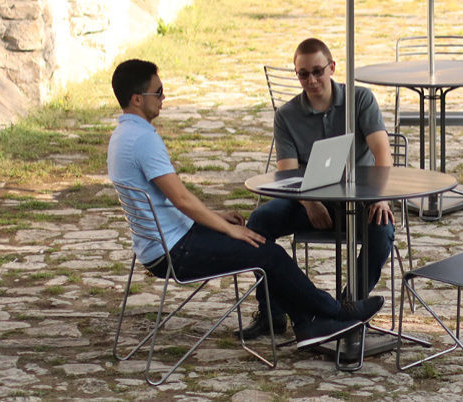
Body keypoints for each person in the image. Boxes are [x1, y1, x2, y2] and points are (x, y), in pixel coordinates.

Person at [107, 58, 383, 348]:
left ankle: (308, 324)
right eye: (158, 92)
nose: (164, 98)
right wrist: (230, 231)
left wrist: (215, 216)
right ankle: (335, 311)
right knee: (268, 253)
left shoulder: (122, 136)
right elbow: (182, 199)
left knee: (261, 242)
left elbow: (168, 199)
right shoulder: (144, 141)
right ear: (138, 99)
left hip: (161, 243)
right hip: (175, 250)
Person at [242, 38, 396, 339]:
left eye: (317, 71)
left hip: (361, 197)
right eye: (303, 74)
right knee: (259, 223)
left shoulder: (360, 99)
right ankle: (271, 312)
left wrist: (381, 197)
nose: (311, 80)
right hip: (311, 199)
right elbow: (287, 169)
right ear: (296, 74)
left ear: (332, 68)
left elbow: (382, 151)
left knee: (383, 228)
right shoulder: (286, 115)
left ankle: (346, 305)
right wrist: (310, 204)